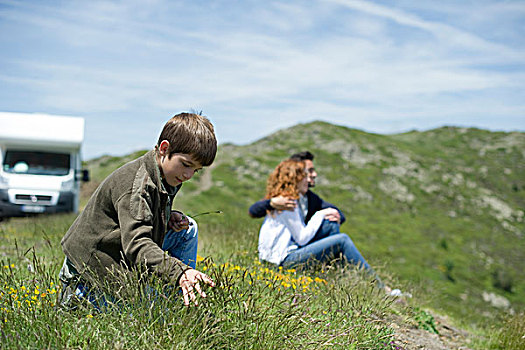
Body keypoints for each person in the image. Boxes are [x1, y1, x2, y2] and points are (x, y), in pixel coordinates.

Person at [59, 112, 216, 307]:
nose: (189, 175)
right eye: (186, 164)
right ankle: (179, 290)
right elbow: (137, 244)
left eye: (196, 170)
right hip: (89, 274)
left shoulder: (165, 174)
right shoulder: (138, 186)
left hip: (118, 250)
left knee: (188, 228)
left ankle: (181, 298)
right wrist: (179, 272)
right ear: (164, 149)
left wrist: (166, 218)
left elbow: (138, 218)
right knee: (151, 318)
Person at [257, 159, 383, 284]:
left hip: (277, 259)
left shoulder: (282, 199)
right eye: (304, 177)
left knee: (331, 225)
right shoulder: (288, 203)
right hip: (282, 262)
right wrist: (320, 214)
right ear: (295, 179)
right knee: (342, 240)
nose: (308, 180)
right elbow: (302, 238)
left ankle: (336, 277)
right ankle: (379, 287)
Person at [249, 151, 345, 243]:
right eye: (309, 171)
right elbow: (253, 211)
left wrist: (336, 217)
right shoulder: (283, 198)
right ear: (297, 173)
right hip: (289, 246)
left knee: (331, 224)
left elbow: (336, 212)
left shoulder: (311, 198)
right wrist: (271, 203)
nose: (314, 175)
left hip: (302, 240)